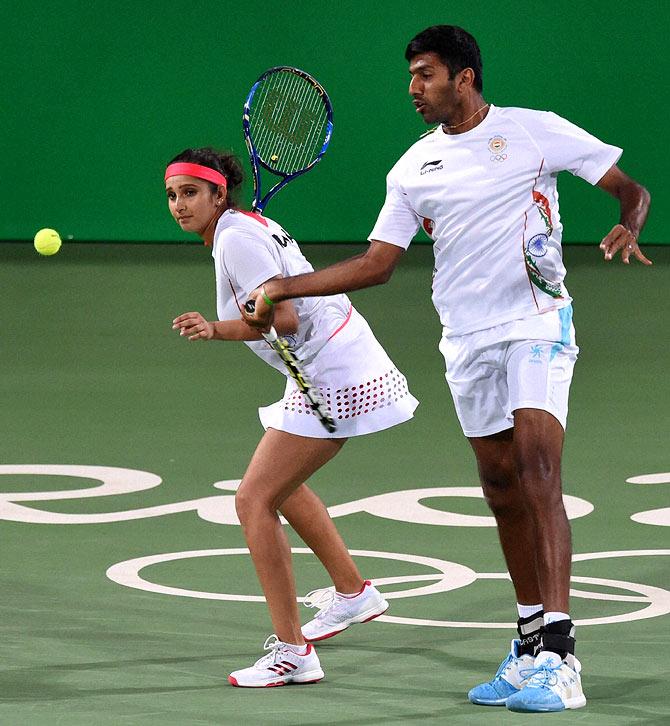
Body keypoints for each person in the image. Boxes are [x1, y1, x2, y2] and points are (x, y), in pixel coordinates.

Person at [243, 25, 652, 712]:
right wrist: (288, 284)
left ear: (464, 77)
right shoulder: (411, 168)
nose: (413, 89)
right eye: (410, 76)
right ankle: (526, 642)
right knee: (498, 486)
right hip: (464, 340)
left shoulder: (533, 131)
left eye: (425, 74)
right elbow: (377, 263)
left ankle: (560, 654)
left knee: (538, 467)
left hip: (536, 323)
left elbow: (627, 188)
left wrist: (630, 220)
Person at [165, 147, 419, 688]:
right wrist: (223, 325)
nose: (180, 205)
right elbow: (274, 317)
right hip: (330, 354)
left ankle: (293, 651)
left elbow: (282, 316)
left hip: (332, 368)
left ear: (218, 194)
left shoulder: (235, 239)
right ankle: (354, 593)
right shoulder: (242, 227)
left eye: (191, 193)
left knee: (253, 499)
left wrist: (219, 327)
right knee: (285, 487)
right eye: (172, 195)